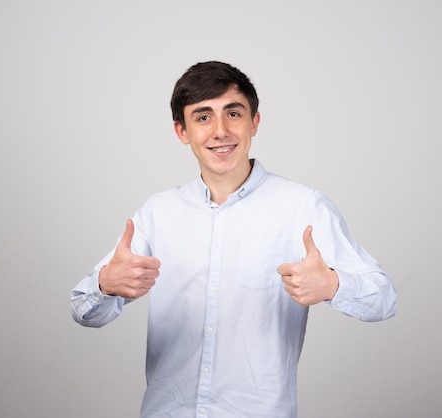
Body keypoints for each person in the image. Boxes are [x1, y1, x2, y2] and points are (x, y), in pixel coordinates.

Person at [71, 61, 397, 418]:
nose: (220, 131)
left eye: (233, 113)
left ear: (254, 122)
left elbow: (383, 298)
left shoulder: (301, 207)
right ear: (182, 131)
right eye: (203, 117)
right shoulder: (157, 213)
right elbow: (84, 312)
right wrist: (105, 284)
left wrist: (333, 284)